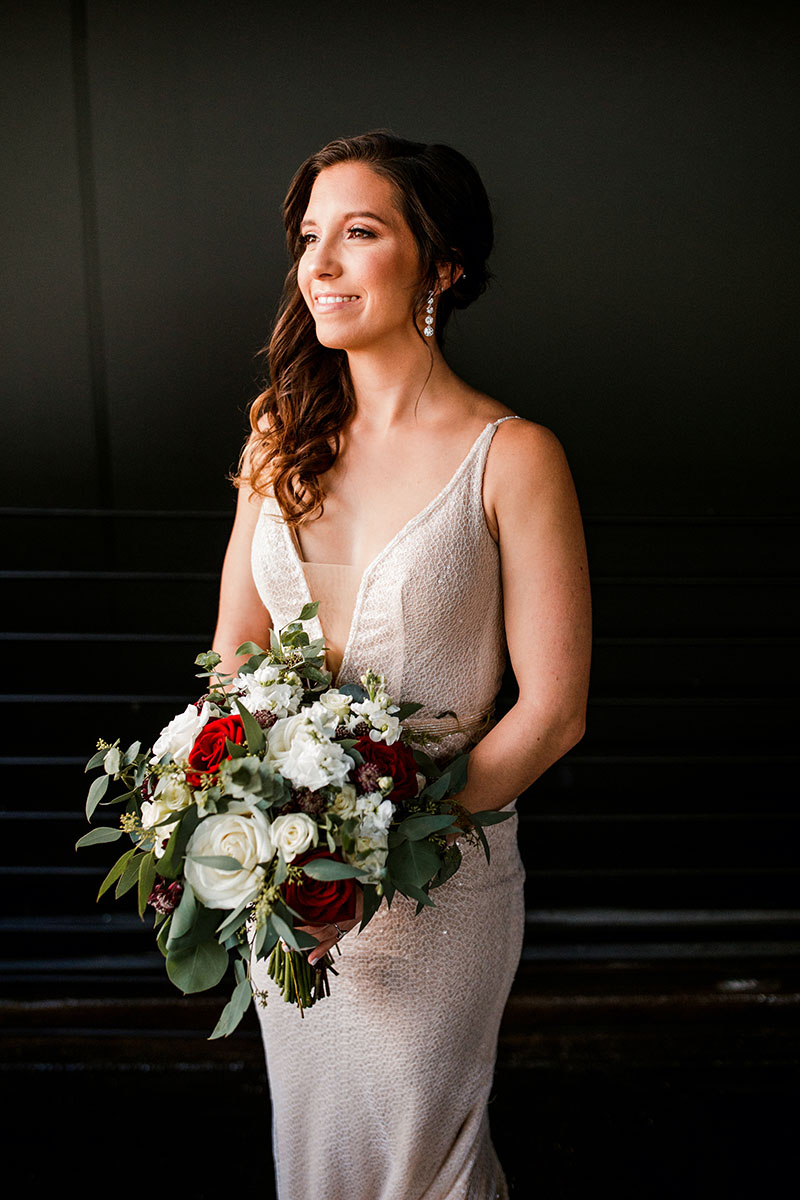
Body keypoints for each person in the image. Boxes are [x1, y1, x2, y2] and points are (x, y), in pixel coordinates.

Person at [212, 131, 591, 1200]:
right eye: (308, 238)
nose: (318, 265)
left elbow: (552, 712)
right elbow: (234, 654)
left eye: (359, 234)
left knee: (420, 1159)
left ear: (442, 266)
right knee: (317, 1155)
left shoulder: (511, 455)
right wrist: (275, 840)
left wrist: (384, 847)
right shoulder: (277, 435)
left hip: (440, 891)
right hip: (288, 890)